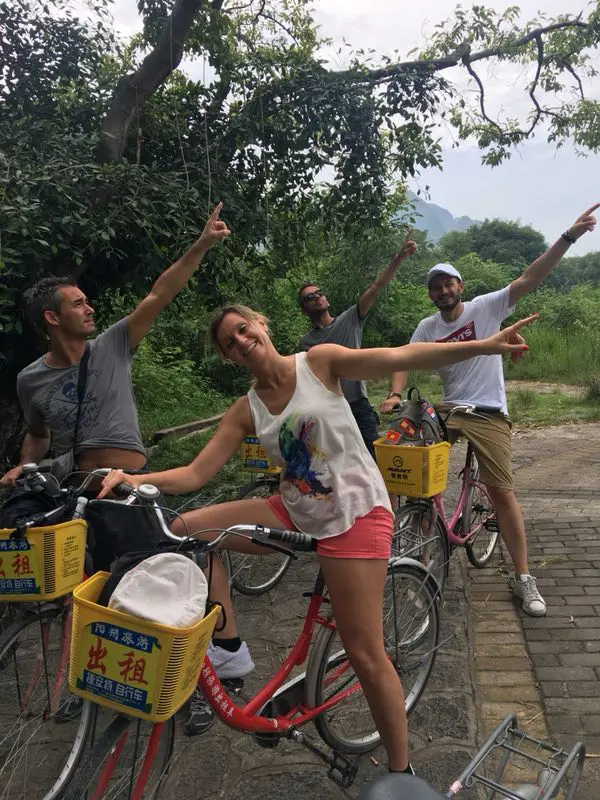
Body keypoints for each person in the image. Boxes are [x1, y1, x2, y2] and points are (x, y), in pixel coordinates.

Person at [98, 302, 536, 771]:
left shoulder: (320, 362)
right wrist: (132, 478)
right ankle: (226, 649)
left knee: (367, 654)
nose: (242, 341)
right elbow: (195, 472)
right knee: (186, 531)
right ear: (229, 358)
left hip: (356, 513)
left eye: (245, 330)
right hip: (293, 508)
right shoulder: (244, 410)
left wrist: (488, 344)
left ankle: (400, 771)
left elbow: (403, 355)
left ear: (262, 325)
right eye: (230, 342)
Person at [0, 202, 231, 730]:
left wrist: (201, 243)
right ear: (51, 319)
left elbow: (160, 292)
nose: (90, 309)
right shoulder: (30, 379)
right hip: (75, 490)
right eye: (77, 304)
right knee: (89, 589)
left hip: (128, 487)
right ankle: (90, 682)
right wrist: (23, 467)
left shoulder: (113, 346)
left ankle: (193, 687)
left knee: (160, 582)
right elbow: (36, 436)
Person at [380, 204, 599, 617]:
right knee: (412, 470)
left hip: (486, 411)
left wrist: (569, 236)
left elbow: (530, 278)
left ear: (460, 285)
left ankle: (522, 577)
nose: (443, 291)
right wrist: (394, 395)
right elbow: (401, 359)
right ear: (430, 294)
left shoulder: (486, 308)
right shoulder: (428, 327)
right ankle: (421, 548)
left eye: (448, 284)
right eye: (435, 287)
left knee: (501, 492)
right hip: (447, 409)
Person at [297, 230, 417, 457]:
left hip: (357, 407)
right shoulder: (306, 344)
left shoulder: (350, 319)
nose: (317, 297)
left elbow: (376, 287)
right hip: (328, 412)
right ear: (304, 310)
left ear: (327, 298)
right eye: (309, 297)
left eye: (319, 293)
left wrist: (399, 258)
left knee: (374, 464)